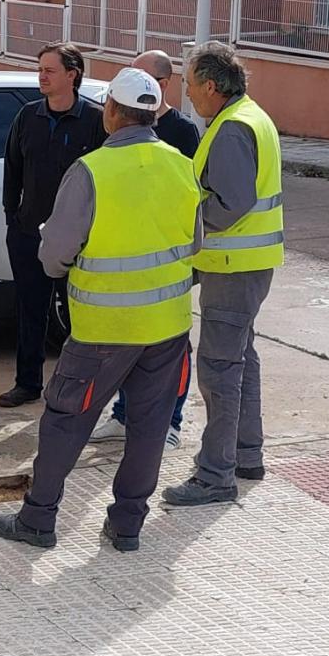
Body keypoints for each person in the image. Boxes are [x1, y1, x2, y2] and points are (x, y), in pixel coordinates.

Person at [0, 68, 201, 552]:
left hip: (104, 329)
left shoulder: (92, 170)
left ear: (109, 112)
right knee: (148, 430)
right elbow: (196, 244)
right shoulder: (181, 165)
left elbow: (53, 255)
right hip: (167, 328)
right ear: (152, 113)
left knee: (65, 421)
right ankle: (127, 526)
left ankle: (38, 520)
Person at [163, 41, 284, 507]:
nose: (189, 95)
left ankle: (215, 475)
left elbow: (230, 204)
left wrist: (185, 222)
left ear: (212, 86)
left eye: (191, 86)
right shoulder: (249, 116)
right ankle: (245, 455)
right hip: (246, 265)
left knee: (218, 370)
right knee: (240, 360)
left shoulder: (232, 129)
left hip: (233, 266)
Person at [90, 49, 201, 449]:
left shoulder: (183, 133)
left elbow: (191, 203)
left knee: (171, 351)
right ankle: (123, 416)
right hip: (127, 267)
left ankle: (170, 421)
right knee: (127, 348)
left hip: (166, 269)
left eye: (138, 77)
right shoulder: (112, 134)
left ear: (161, 85)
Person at [0, 41, 107, 408]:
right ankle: (27, 383)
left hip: (79, 241)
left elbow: (106, 179)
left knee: (78, 316)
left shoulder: (95, 120)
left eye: (49, 70)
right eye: (40, 69)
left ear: (72, 76)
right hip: (30, 234)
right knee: (31, 311)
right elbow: (12, 169)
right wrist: (12, 217)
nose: (41, 76)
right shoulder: (28, 116)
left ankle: (79, 386)